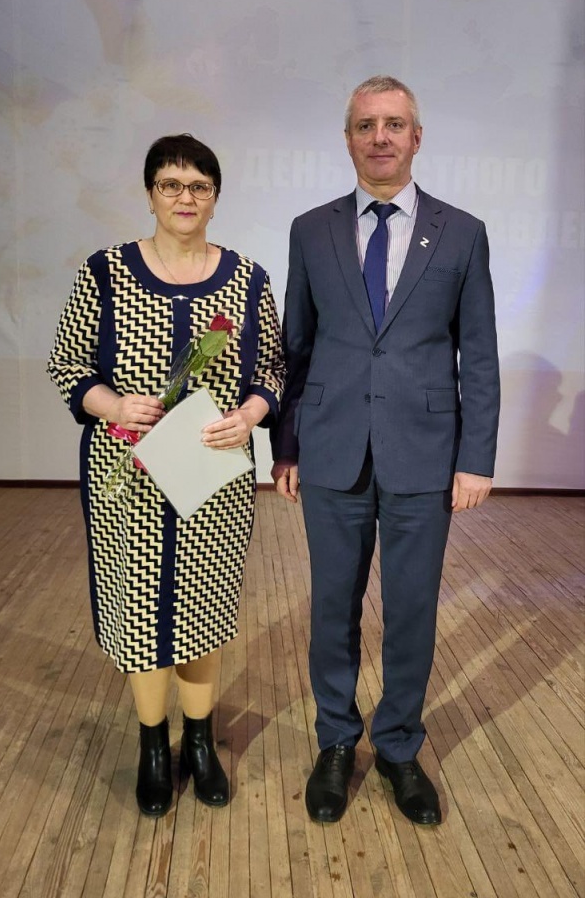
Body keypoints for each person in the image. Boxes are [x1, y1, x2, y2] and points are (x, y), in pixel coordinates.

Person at [271, 76, 500, 826]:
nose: (380, 137)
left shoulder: (462, 232)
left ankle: (399, 746)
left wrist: (476, 457)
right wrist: (287, 445)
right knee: (331, 606)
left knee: (411, 611)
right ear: (348, 139)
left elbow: (479, 353)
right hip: (332, 449)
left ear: (416, 137)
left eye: (394, 124)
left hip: (424, 455)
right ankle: (336, 742)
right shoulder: (311, 230)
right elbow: (296, 346)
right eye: (366, 125)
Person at [48, 133, 285, 817]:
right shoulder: (105, 272)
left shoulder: (248, 279)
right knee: (138, 611)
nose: (185, 197)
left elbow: (273, 368)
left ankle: (200, 741)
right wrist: (113, 405)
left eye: (199, 186)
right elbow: (68, 365)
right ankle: (154, 743)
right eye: (171, 185)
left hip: (214, 475)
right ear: (150, 194)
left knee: (204, 608)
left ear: (216, 197)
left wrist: (250, 414)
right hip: (128, 477)